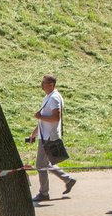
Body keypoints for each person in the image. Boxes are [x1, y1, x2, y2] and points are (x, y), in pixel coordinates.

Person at [26, 74, 75, 202]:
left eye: (44, 83)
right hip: (45, 136)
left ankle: (44, 193)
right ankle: (68, 180)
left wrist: (39, 118)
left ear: (51, 85)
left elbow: (55, 117)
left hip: (48, 137)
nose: (41, 85)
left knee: (40, 165)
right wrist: (34, 134)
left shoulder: (54, 98)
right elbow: (42, 119)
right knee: (45, 164)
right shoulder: (48, 97)